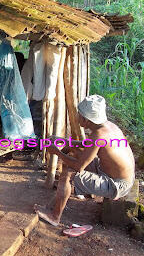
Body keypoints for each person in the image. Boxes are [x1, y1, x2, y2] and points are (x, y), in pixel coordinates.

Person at [34, 95, 135, 226]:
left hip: (117, 184)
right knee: (75, 155)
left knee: (68, 173)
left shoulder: (99, 134)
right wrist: (65, 141)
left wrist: (57, 152)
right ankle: (55, 204)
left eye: (79, 114)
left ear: (86, 119)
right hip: (117, 175)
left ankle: (54, 216)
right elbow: (86, 144)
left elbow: (79, 167)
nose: (77, 117)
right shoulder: (108, 127)